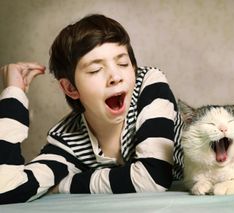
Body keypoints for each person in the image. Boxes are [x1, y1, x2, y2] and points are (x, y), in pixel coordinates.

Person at [0, 14, 184, 204]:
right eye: (95, 70)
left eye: (123, 64)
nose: (115, 76)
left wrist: (65, 184)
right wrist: (13, 94)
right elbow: (6, 189)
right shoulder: (67, 141)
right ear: (71, 88)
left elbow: (154, 177)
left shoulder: (148, 84)